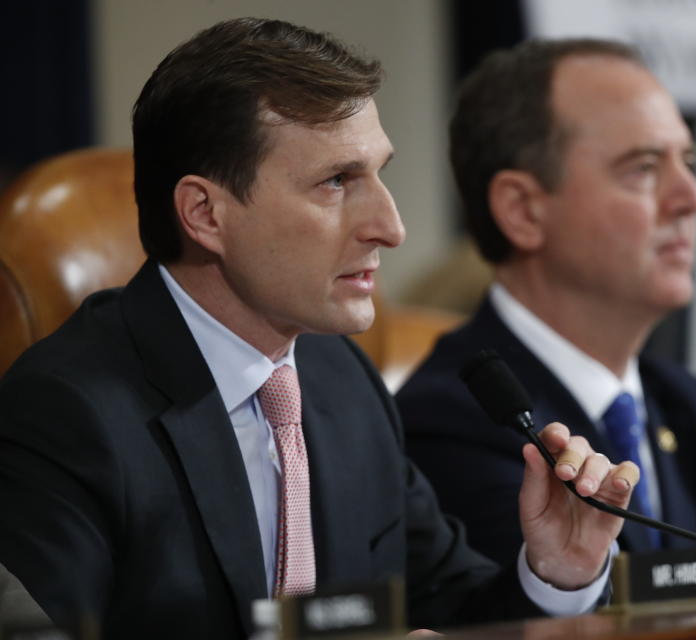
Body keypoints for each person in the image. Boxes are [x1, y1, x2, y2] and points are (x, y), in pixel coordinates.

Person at [0, 20, 638, 640]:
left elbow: (447, 602)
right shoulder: (65, 413)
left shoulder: (341, 379)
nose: (390, 227)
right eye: (336, 182)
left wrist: (557, 573)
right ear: (205, 214)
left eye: (378, 173)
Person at [396, 38, 696, 594]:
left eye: (686, 163)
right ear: (523, 210)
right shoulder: (450, 416)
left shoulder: (694, 406)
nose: (693, 198)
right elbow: (576, 620)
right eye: (643, 167)